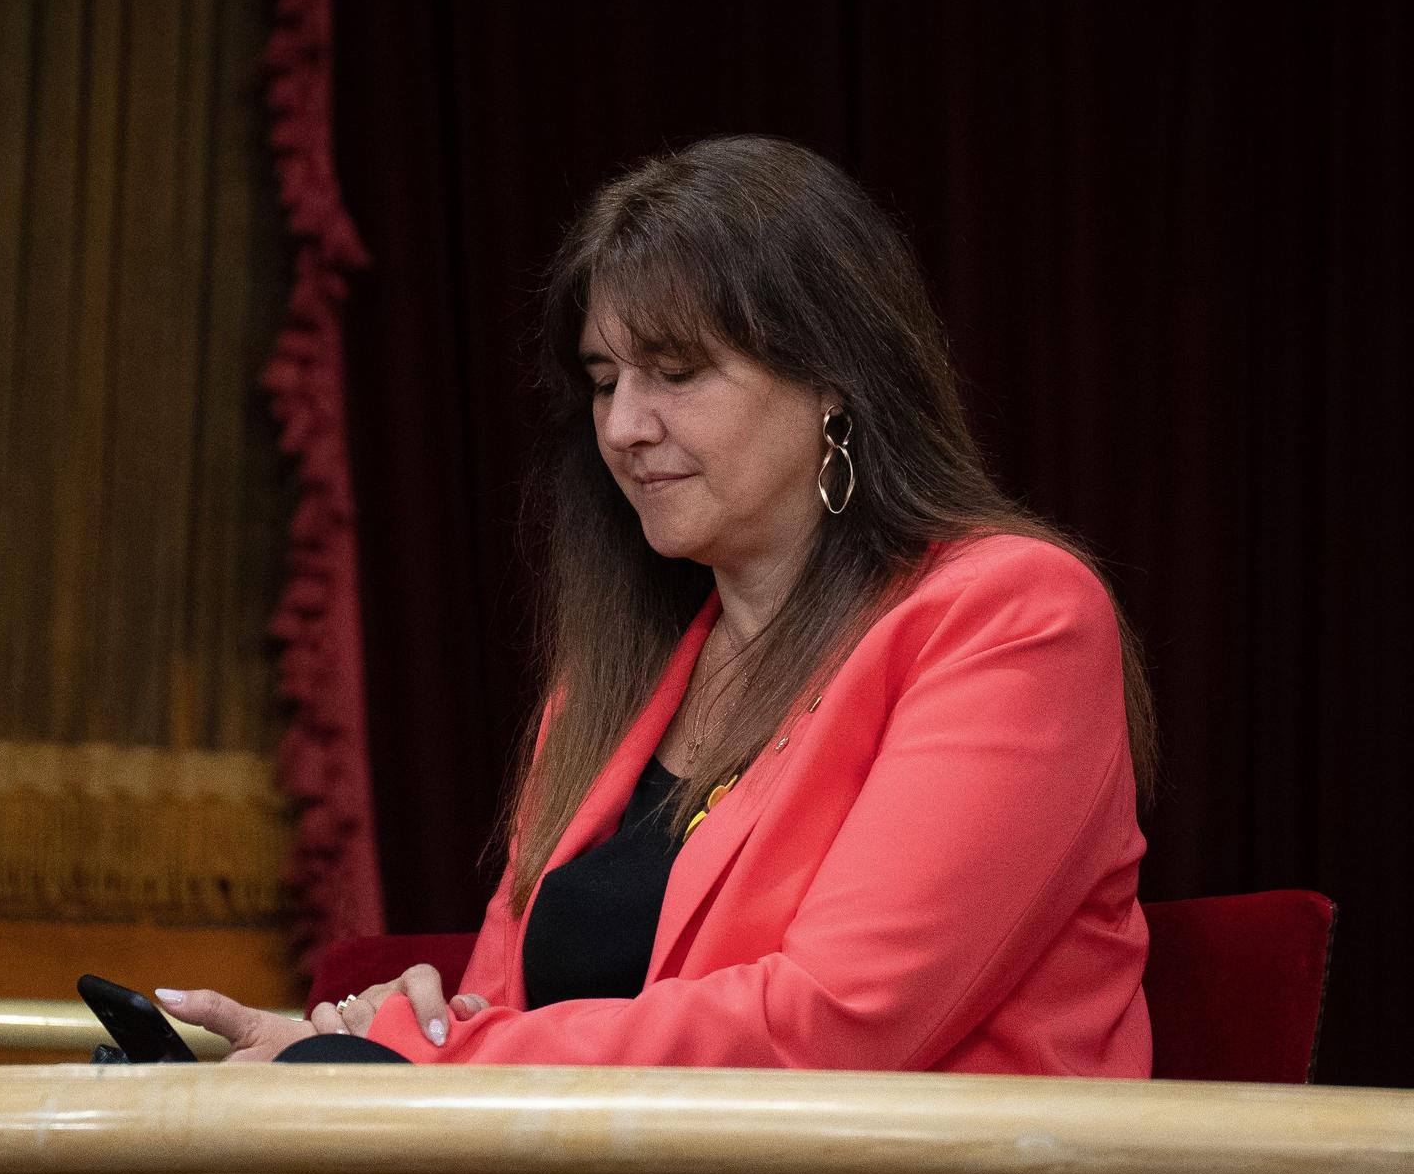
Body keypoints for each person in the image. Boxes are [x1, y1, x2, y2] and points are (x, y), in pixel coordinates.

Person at [157, 134, 1158, 1074]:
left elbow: (834, 1021)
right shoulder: (615, 682)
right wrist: (406, 1022)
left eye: (675, 373)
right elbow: (499, 1008)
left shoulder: (1012, 615)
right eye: (602, 381)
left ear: (834, 384)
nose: (625, 426)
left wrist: (417, 1058)